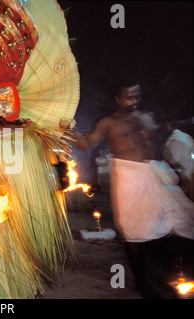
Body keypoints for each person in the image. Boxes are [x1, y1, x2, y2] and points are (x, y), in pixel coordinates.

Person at [67, 80, 194, 298]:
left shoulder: (147, 117)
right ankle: (141, 281)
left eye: (136, 96)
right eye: (128, 97)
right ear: (118, 99)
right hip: (130, 178)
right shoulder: (108, 122)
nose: (133, 101)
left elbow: (157, 147)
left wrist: (175, 169)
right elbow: (87, 144)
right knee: (134, 231)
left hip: (158, 173)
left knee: (186, 220)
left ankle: (171, 272)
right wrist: (70, 129)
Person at [162, 119, 194, 201]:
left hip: (185, 178)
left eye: (165, 126)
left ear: (169, 126)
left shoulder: (174, 140)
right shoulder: (185, 136)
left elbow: (174, 163)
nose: (164, 128)